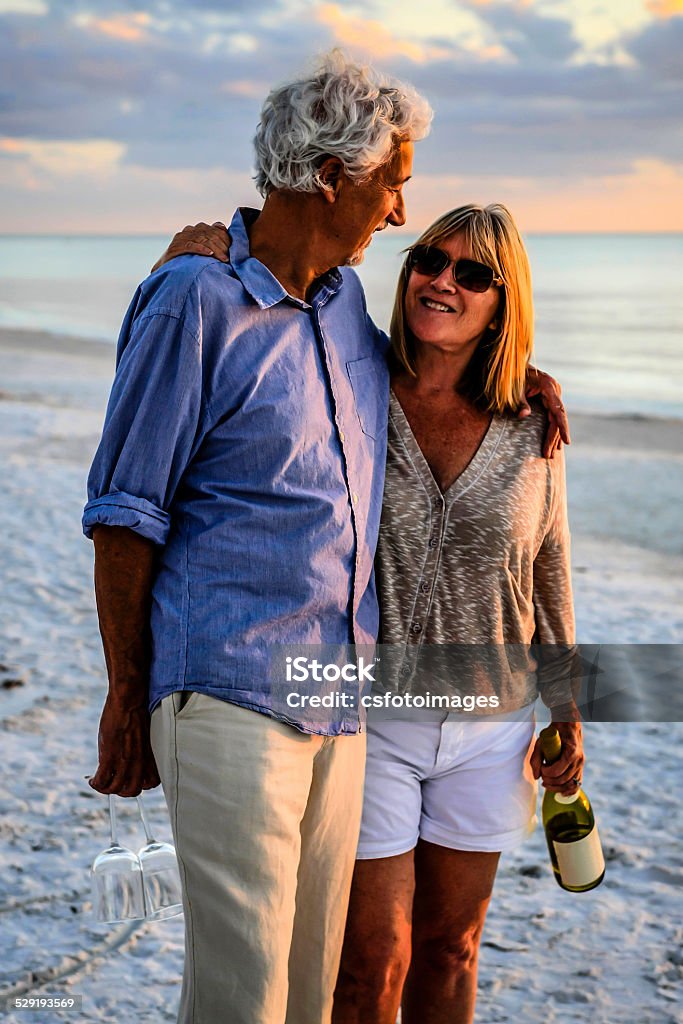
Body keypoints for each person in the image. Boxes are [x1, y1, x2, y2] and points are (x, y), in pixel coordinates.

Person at [162, 203, 581, 1024]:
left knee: (451, 950)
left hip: (491, 725)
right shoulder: (354, 382)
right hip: (371, 718)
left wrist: (567, 708)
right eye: (430, 259)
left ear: (505, 300)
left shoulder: (533, 422)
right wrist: (199, 245)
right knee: (369, 962)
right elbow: (280, 268)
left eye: (473, 274)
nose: (442, 282)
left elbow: (549, 567)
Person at [83, 52, 432, 1024]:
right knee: (244, 997)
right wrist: (126, 693)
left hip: (338, 698)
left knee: (310, 990)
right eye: (391, 181)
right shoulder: (191, 301)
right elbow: (124, 511)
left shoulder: (344, 307)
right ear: (331, 176)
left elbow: (433, 383)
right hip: (229, 690)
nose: (400, 209)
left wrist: (521, 390)